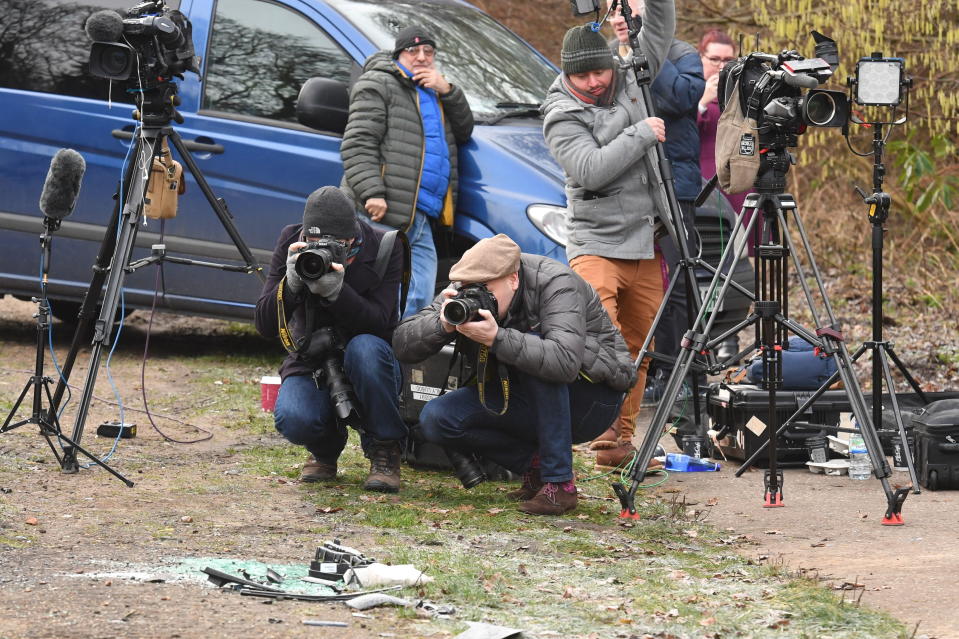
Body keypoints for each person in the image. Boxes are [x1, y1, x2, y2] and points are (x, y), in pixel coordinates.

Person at [392, 235, 636, 515]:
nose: (476, 295)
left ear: (513, 279)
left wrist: (496, 338)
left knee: (536, 348)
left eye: (486, 288)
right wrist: (442, 324)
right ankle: (536, 468)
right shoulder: (463, 286)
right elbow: (402, 344)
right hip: (522, 396)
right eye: (470, 288)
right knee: (438, 418)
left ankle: (560, 485)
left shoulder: (556, 283)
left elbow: (564, 362)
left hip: (591, 400)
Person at [541, 2, 675, 471]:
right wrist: (640, 132)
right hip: (596, 245)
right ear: (569, 78)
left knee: (641, 346)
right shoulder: (559, 115)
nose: (597, 82)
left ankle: (619, 442)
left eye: (601, 71)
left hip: (644, 242)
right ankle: (594, 427)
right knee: (602, 342)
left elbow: (660, 28)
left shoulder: (629, 73)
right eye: (585, 78)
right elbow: (590, 170)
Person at [254, 186, 407, 493]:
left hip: (368, 354)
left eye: (339, 244)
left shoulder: (386, 246)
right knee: (294, 418)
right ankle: (324, 449)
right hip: (312, 355)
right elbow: (264, 324)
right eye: (314, 241)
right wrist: (291, 286)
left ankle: (384, 449)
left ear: (353, 236)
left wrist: (338, 293)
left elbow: (381, 322)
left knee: (365, 350)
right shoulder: (291, 240)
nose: (323, 249)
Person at [607, 0, 705, 409]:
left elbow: (684, 98)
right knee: (639, 278)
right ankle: (651, 365)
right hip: (628, 185)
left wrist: (647, 54)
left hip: (674, 182)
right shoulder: (605, 61)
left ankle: (688, 369)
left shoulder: (681, 53)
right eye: (613, 12)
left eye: (627, 11)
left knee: (680, 279)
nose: (619, 19)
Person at [340, 25, 474, 318]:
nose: (422, 57)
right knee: (376, 292)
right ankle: (364, 354)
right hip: (381, 210)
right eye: (413, 51)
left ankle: (398, 357)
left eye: (429, 51)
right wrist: (372, 192)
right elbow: (358, 141)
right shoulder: (379, 83)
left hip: (421, 215)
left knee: (419, 296)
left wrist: (448, 91)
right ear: (399, 54)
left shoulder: (436, 91)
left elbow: (464, 130)